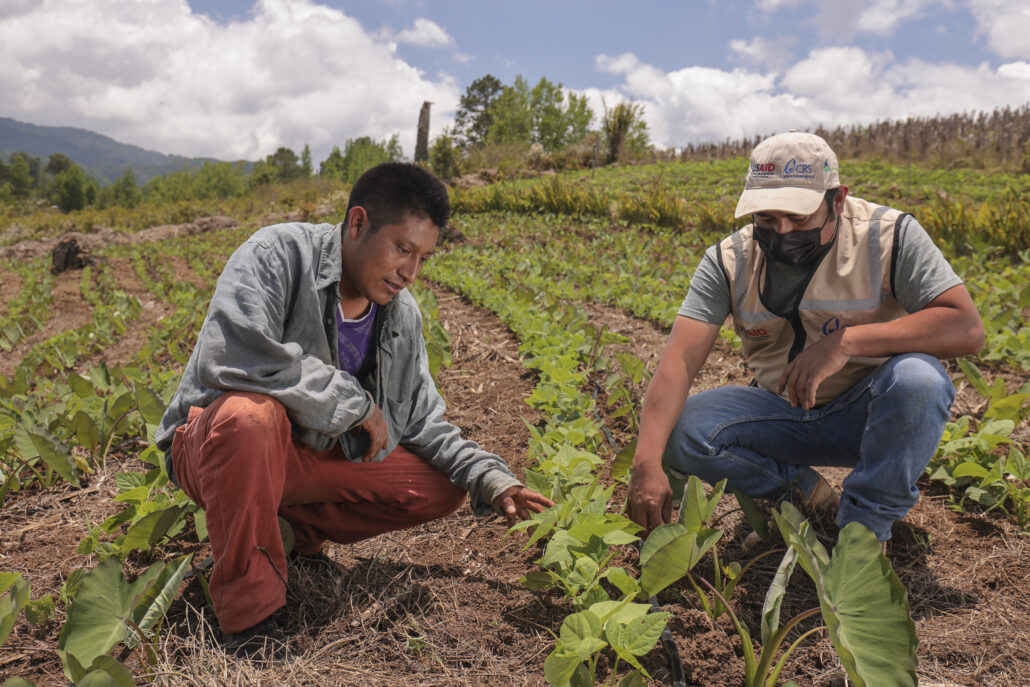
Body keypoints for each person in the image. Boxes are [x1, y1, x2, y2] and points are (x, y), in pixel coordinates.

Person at [156, 162, 552, 656]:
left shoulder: (401, 315)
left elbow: (424, 421)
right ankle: (250, 616)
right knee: (251, 417)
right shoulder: (277, 254)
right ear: (358, 223)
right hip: (220, 447)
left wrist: (492, 479)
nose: (410, 273)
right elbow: (233, 358)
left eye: (424, 258)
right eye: (402, 249)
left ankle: (297, 535)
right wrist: (355, 403)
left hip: (303, 460)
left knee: (438, 486)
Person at [627, 131, 984, 548]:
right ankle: (800, 496)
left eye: (798, 219)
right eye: (766, 219)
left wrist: (846, 342)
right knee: (680, 430)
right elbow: (680, 362)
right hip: (778, 413)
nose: (781, 231)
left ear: (837, 200)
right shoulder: (728, 259)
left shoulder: (888, 235)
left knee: (919, 379)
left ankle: (863, 534)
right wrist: (645, 462)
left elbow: (966, 327)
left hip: (868, 414)